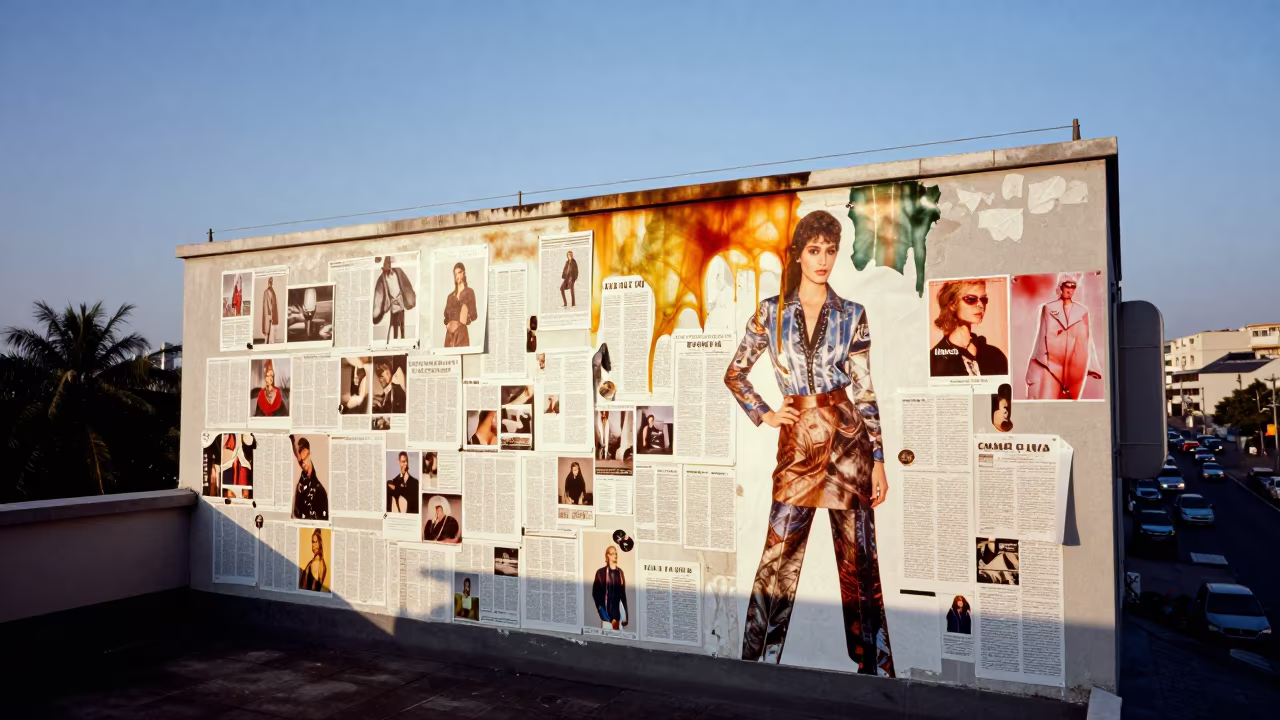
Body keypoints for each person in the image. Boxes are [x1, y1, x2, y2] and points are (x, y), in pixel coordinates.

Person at [724, 209, 893, 675]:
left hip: (848, 442)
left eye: (831, 251)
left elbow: (865, 389)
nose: (823, 260)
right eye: (814, 250)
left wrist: (878, 458)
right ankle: (757, 662)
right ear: (798, 254)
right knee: (778, 557)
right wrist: (767, 414)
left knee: (859, 562)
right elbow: (735, 373)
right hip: (798, 443)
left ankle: (872, 666)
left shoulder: (853, 314)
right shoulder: (770, 312)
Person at [1025, 273, 1102, 400]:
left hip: (1077, 369)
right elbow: (1041, 337)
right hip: (1052, 367)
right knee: (1048, 402)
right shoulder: (1048, 308)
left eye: (1073, 286)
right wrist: (1042, 363)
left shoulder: (1083, 312)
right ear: (1060, 286)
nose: (1070, 289)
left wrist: (1093, 366)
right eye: (1067, 285)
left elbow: (1088, 341)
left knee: (1071, 406)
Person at [930, 279, 1009, 377]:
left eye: (984, 299)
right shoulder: (934, 359)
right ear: (952, 304)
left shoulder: (995, 355)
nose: (981, 305)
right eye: (971, 299)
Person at [373, 256, 417, 342]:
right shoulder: (383, 278)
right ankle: (394, 341)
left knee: (402, 326)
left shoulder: (399, 273)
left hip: (400, 305)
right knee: (393, 327)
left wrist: (405, 300)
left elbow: (407, 287)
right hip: (392, 306)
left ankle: (401, 340)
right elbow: (379, 294)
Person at [291, 437, 329, 521]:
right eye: (299, 460)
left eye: (303, 453)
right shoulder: (299, 488)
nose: (301, 461)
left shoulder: (320, 491)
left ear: (308, 453)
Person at [591, 545, 628, 631]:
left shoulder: (620, 572)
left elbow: (622, 595)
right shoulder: (601, 573)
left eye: (615, 553)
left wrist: (625, 617)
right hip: (607, 619)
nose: (615, 555)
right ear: (607, 555)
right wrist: (609, 619)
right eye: (612, 553)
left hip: (619, 617)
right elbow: (596, 596)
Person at [443, 262, 478, 348]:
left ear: (464, 273)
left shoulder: (469, 292)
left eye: (459, 272)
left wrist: (462, 322)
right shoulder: (450, 296)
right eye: (455, 274)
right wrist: (449, 325)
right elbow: (446, 317)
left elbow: (474, 315)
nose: (457, 276)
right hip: (449, 336)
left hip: (461, 335)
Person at [299, 528, 328, 593]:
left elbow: (313, 589)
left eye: (315, 542)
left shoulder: (316, 562)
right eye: (312, 542)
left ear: (320, 543)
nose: (313, 545)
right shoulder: (319, 562)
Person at [261, 276, 280, 344]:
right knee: (268, 330)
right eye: (270, 281)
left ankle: (269, 342)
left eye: (272, 282)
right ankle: (267, 342)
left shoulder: (271, 291)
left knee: (270, 329)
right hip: (270, 314)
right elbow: (268, 304)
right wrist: (270, 314)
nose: (271, 283)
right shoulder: (268, 291)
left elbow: (272, 303)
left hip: (271, 313)